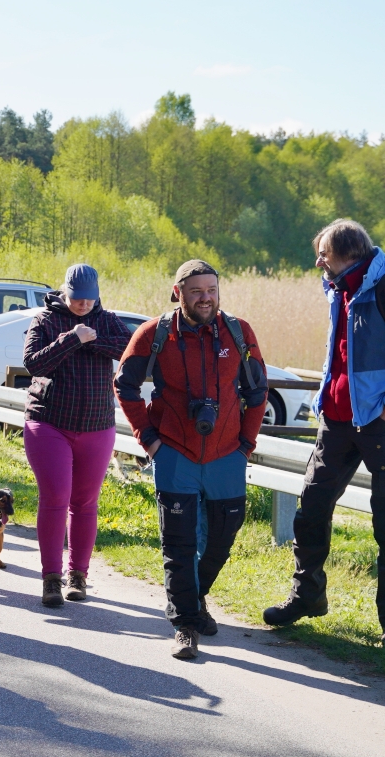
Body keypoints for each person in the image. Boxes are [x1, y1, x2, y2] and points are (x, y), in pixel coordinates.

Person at [264, 220, 385, 647]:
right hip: (336, 421)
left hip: (378, 426)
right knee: (310, 511)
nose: (318, 261)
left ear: (347, 253)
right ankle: (307, 597)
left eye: (323, 253)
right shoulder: (338, 287)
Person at [115, 259, 268, 661]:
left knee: (222, 539)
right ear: (178, 291)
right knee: (179, 544)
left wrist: (245, 444)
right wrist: (148, 439)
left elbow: (258, 391)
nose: (206, 298)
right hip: (175, 453)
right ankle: (185, 625)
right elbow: (125, 386)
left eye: (212, 290)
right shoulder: (155, 333)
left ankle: (195, 599)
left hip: (227, 455)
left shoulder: (238, 332)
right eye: (197, 291)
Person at [21, 263, 132, 607]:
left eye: (88, 299)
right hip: (49, 422)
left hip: (97, 424)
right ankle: (51, 578)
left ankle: (78, 576)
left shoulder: (107, 319)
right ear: (64, 291)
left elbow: (129, 348)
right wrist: (71, 338)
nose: (83, 305)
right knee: (55, 498)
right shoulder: (45, 320)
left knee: (84, 504)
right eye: (76, 299)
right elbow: (33, 363)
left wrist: (92, 339)